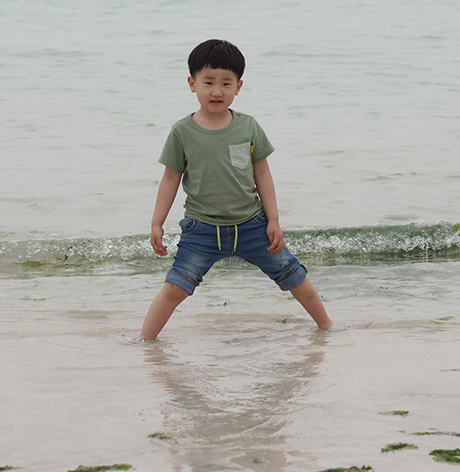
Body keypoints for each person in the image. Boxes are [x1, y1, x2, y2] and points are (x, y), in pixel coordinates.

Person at [139, 39, 334, 340]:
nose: (217, 91)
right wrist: (157, 222)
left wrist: (273, 220)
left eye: (226, 83)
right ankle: (144, 341)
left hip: (252, 225)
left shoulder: (248, 127)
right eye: (208, 82)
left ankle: (328, 327)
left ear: (238, 87)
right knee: (176, 286)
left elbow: (262, 173)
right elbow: (170, 179)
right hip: (202, 229)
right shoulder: (182, 132)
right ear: (192, 84)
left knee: (293, 275)